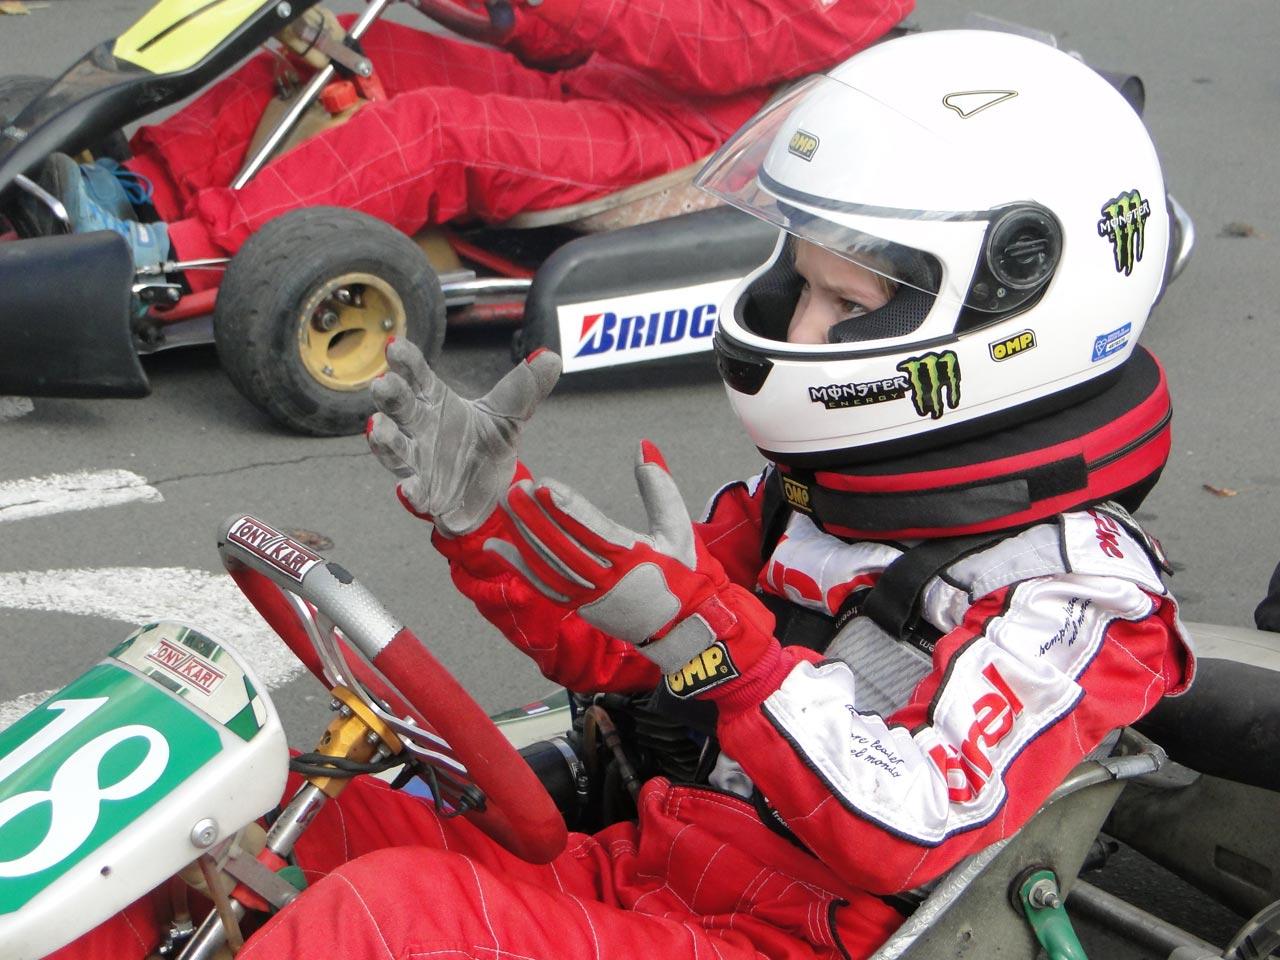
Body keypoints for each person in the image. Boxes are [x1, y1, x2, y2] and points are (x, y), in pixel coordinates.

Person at [51, 28, 1195, 960]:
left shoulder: (1073, 597)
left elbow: (911, 822)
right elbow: (626, 658)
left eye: (844, 308)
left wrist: (727, 652)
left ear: (1015, 316)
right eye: (800, 286)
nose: (801, 331)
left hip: (786, 939)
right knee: (236, 831)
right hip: (641, 873)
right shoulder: (814, 501)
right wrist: (489, 523)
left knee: (383, 924)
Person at [30, 0, 910, 292]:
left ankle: (177, 259)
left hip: (681, 145)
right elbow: (578, 36)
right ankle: (138, 190)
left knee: (438, 133)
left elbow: (715, 44)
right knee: (343, 44)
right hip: (597, 85)